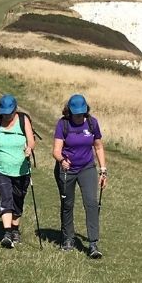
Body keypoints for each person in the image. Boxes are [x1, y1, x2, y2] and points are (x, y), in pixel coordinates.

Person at [52, 94, 107, 259]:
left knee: (91, 203)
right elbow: (56, 150)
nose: (78, 116)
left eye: (81, 113)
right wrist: (62, 160)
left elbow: (98, 147)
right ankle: (68, 238)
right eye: (75, 113)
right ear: (69, 111)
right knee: (67, 204)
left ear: (85, 110)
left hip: (87, 167)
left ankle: (93, 244)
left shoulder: (92, 123)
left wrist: (103, 170)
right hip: (66, 169)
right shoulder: (63, 124)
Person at [0, 94, 36, 248]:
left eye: (9, 113)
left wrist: (29, 148)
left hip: (21, 170)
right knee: (6, 195)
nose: (6, 116)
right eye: (4, 113)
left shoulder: (23, 120)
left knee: (18, 199)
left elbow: (31, 141)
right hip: (0, 168)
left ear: (15, 110)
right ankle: (7, 233)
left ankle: (15, 229)